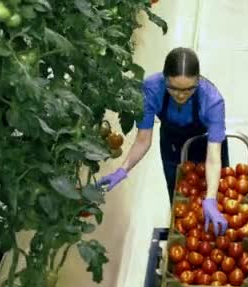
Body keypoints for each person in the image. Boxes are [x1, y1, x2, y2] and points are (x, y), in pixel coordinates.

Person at [98, 47, 229, 236]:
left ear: (198, 80)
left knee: (219, 193)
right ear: (164, 78)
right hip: (172, 143)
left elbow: (214, 157)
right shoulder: (151, 89)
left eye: (189, 89)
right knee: (178, 191)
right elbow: (143, 140)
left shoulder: (212, 101)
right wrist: (123, 169)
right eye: (174, 88)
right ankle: (184, 231)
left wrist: (210, 198)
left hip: (206, 145)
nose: (181, 95)